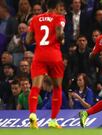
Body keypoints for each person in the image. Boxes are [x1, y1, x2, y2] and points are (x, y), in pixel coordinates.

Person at [26, 0, 65, 129]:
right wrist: (62, 39)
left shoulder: (35, 19)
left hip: (39, 56)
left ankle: (32, 114)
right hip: (54, 56)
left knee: (35, 87)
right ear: (57, 7)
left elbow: (28, 39)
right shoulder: (59, 17)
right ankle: (53, 120)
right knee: (57, 88)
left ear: (46, 6)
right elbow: (59, 34)